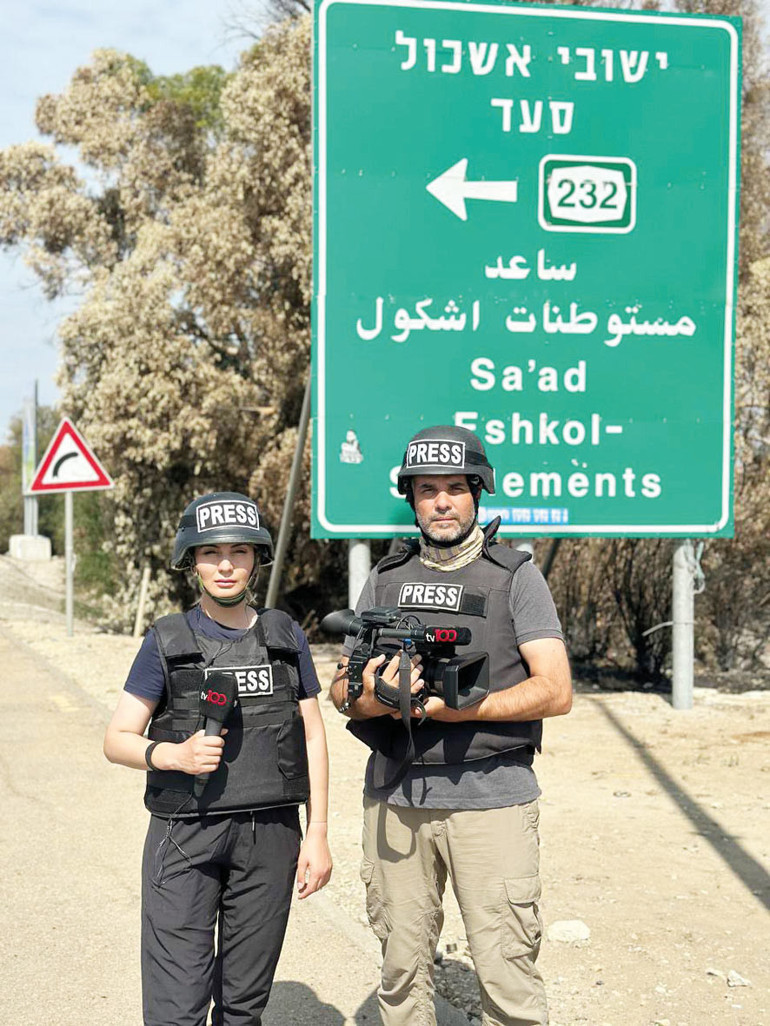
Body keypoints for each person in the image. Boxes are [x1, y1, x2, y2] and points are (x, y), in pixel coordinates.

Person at [330, 426, 572, 1026]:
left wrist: (470, 708)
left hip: (492, 799)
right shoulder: (385, 580)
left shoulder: (514, 575)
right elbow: (339, 690)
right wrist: (374, 698)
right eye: (427, 490)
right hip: (396, 797)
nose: (441, 502)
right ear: (410, 499)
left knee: (506, 972)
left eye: (455, 489)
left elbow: (556, 690)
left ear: (477, 495)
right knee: (401, 974)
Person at [104, 491, 332, 1026]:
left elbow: (314, 735)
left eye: (239, 552)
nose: (226, 565)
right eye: (210, 553)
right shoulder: (167, 640)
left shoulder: (284, 636)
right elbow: (117, 739)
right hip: (184, 832)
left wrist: (318, 833)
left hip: (272, 834)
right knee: (175, 1009)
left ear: (257, 560)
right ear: (192, 562)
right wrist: (173, 755)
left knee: (243, 1005)